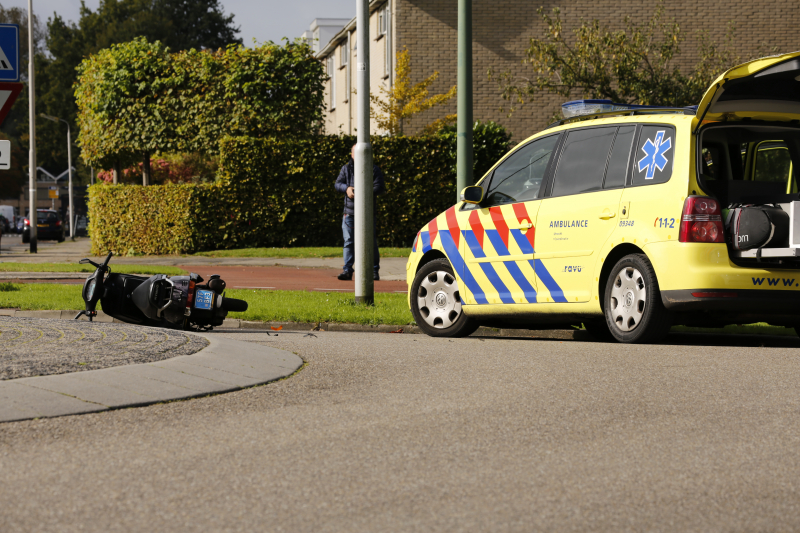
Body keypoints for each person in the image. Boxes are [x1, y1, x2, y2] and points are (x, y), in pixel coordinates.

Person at [334, 144, 386, 281]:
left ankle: (374, 271)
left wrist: (364, 191)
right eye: (356, 153)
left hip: (367, 212)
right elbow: (337, 184)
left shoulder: (374, 169)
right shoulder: (346, 169)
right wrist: (347, 188)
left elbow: (380, 187)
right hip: (350, 212)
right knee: (349, 241)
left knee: (370, 241)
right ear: (352, 154)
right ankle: (347, 270)